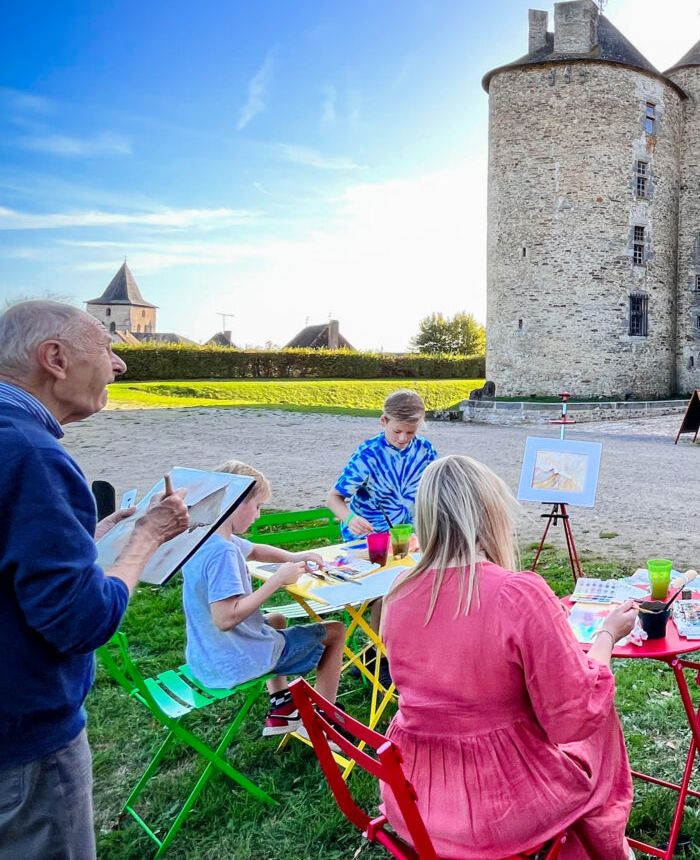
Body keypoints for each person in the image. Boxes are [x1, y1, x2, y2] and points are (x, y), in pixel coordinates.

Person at [0, 300, 190, 860]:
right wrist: (146, 537)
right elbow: (82, 621)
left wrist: (85, 538)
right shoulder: (30, 454)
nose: (120, 364)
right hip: (22, 745)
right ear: (55, 359)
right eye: (106, 349)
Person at [380, 455, 639, 860]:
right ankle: (605, 848)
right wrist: (607, 635)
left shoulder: (399, 590)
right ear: (490, 512)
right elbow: (574, 714)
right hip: (500, 805)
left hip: (413, 795)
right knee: (600, 721)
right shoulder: (517, 594)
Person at [181, 461, 346, 738]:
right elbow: (225, 618)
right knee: (336, 631)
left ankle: (282, 707)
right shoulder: (223, 553)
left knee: (276, 619)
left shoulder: (205, 537)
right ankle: (323, 723)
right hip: (235, 661)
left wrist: (293, 557)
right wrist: (277, 580)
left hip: (206, 657)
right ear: (235, 503)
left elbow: (255, 549)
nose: (258, 515)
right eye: (257, 506)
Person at [325, 389, 437, 540]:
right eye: (397, 431)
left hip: (408, 535)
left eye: (410, 432)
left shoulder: (425, 449)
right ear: (384, 421)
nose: (403, 438)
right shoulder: (368, 454)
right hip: (368, 537)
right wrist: (350, 518)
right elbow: (333, 498)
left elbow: (437, 489)